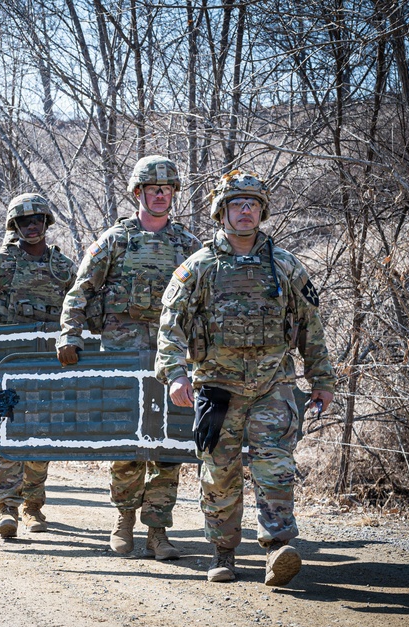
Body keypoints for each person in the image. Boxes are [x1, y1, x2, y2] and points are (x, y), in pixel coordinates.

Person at [156, 170, 336, 586]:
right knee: (219, 473)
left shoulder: (285, 265)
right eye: (236, 204)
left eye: (252, 204)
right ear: (221, 212)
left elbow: (310, 326)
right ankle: (223, 553)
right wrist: (175, 375)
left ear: (262, 211)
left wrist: (322, 380)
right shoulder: (198, 267)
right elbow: (170, 325)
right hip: (218, 388)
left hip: (273, 386)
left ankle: (277, 548)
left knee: (275, 467)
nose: (245, 211)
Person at [58, 155, 201, 560]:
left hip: (171, 357)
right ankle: (123, 521)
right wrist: (69, 335)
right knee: (127, 440)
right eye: (153, 189)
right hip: (121, 354)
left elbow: (206, 299)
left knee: (169, 444)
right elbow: (80, 291)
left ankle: (157, 530)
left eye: (167, 189)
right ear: (138, 193)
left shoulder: (187, 245)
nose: (161, 195)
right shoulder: (114, 240)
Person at [0, 193, 75, 537]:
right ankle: (5, 505)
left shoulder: (64, 268)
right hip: (4, 367)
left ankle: (32, 506)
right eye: (24, 221)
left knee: (40, 437)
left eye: (38, 220)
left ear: (46, 223)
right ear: (14, 225)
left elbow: (79, 310)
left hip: (46, 367)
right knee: (1, 433)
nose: (32, 226)